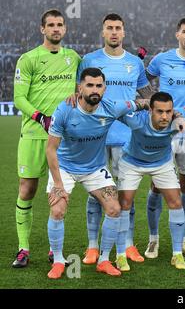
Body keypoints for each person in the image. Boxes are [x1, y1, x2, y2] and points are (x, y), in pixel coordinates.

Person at [45, 67, 150, 279]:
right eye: (90, 85)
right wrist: (58, 184)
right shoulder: (65, 109)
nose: (95, 89)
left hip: (94, 168)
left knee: (114, 208)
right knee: (57, 210)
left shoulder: (111, 107)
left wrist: (161, 105)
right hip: (65, 168)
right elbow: (50, 149)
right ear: (79, 88)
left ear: (104, 88)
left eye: (99, 85)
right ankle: (57, 260)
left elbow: (141, 102)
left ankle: (103, 260)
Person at [116, 90, 185, 270]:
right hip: (132, 163)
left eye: (168, 111)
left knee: (176, 202)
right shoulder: (136, 119)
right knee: (125, 203)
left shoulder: (178, 118)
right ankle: (121, 254)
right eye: (159, 111)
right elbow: (113, 110)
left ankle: (176, 254)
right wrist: (138, 103)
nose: (165, 116)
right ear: (150, 110)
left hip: (162, 164)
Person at [77, 13, 152, 265]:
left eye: (118, 28)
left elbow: (146, 93)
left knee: (125, 194)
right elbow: (79, 92)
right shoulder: (89, 59)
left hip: (126, 136)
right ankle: (92, 246)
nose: (114, 32)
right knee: (95, 192)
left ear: (124, 32)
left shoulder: (135, 63)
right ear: (103, 31)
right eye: (109, 27)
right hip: (95, 136)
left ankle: (128, 244)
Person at [12, 9, 81, 268]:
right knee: (27, 190)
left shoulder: (73, 58)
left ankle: (55, 248)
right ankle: (23, 248)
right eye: (50, 25)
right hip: (33, 134)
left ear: (64, 29)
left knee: (58, 194)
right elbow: (19, 98)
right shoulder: (28, 59)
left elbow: (90, 79)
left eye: (59, 25)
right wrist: (41, 117)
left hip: (62, 138)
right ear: (42, 29)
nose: (55, 29)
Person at [145, 17, 185, 259]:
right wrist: (153, 106)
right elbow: (144, 82)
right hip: (163, 132)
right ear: (177, 34)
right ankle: (153, 239)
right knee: (157, 185)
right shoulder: (162, 59)